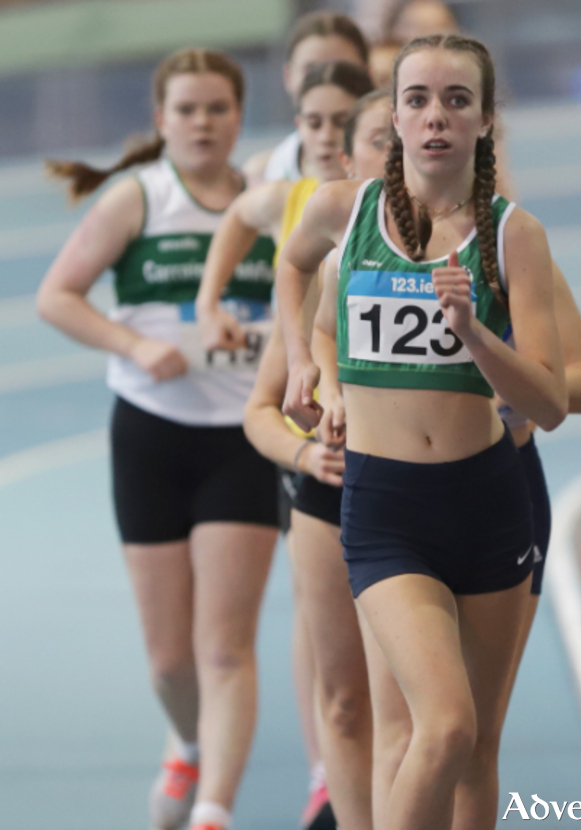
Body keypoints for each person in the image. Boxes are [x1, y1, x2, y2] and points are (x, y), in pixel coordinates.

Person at [276, 34, 568, 830]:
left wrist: (474, 333)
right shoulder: (347, 208)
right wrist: (306, 360)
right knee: (442, 727)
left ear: (484, 122)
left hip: (485, 503)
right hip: (386, 510)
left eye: (456, 100)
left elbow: (551, 402)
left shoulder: (514, 236)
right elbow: (292, 264)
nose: (435, 116)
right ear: (395, 118)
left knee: (477, 749)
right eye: (417, 100)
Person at [36, 49, 278, 830]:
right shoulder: (135, 200)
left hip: (242, 438)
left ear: (239, 116)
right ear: (161, 121)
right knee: (171, 662)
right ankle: (185, 739)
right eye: (187, 110)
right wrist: (134, 346)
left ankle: (213, 811)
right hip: (151, 435)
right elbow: (57, 297)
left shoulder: (275, 205)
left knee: (225, 648)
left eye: (217, 108)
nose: (203, 122)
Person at [196, 63, 375, 830]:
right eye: (318, 125)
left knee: (435, 715)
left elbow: (567, 379)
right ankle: (329, 791)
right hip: (327, 487)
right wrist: (211, 304)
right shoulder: (306, 241)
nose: (332, 143)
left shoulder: (474, 242)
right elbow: (264, 411)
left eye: (351, 126)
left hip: (436, 493)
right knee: (342, 693)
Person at [244, 11, 370, 185]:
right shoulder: (265, 174)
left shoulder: (400, 168)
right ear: (288, 76)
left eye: (342, 70)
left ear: (367, 73)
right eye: (311, 71)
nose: (326, 80)